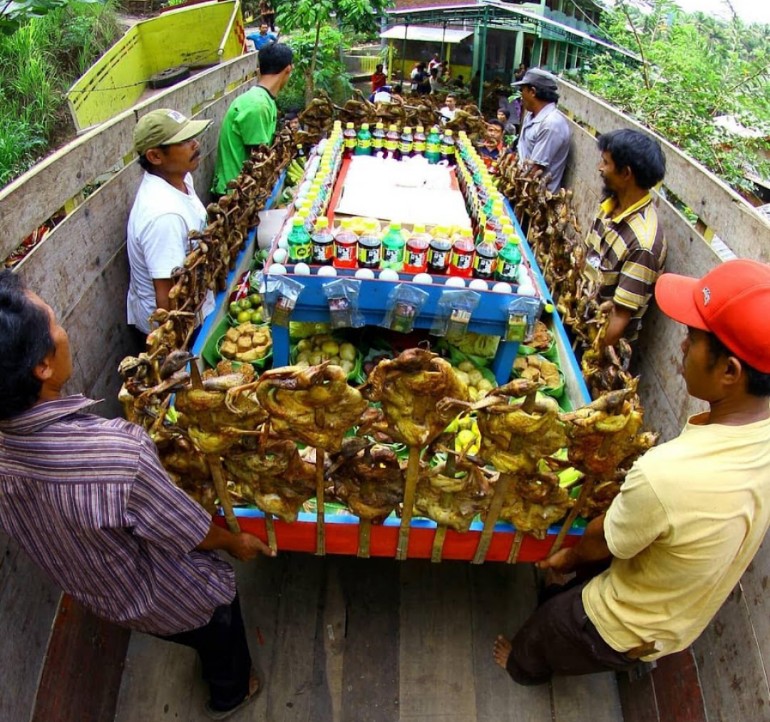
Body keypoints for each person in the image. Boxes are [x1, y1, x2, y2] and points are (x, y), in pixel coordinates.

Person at [0, 270, 277, 718]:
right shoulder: (117, 455)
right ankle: (232, 694)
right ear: (42, 366)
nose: (63, 331)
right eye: (54, 323)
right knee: (219, 620)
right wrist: (234, 542)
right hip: (167, 593)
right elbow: (189, 531)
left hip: (99, 592)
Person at [493, 258, 770, 686]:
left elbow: (600, 540)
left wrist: (568, 555)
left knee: (548, 629)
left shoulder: (667, 475)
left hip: (621, 623)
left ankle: (521, 667)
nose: (681, 346)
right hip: (678, 620)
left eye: (693, 339)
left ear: (730, 371)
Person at [126, 108, 216, 342]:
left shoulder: (181, 177)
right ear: (155, 156)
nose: (195, 144)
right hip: (179, 328)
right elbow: (166, 299)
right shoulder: (163, 216)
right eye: (184, 141)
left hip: (195, 307)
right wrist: (177, 349)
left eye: (192, 137)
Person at [584, 129, 668, 347]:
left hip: (597, 346)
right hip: (579, 321)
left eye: (606, 163)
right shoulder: (610, 204)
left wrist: (587, 359)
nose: (599, 168)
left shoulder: (643, 243)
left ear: (626, 173)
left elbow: (619, 320)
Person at [211, 43, 293, 197]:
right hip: (234, 197)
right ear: (289, 69)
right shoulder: (258, 105)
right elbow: (259, 163)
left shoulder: (263, 99)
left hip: (245, 191)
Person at [512, 67, 571, 192]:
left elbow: (534, 172)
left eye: (522, 90)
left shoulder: (551, 124)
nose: (521, 96)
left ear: (532, 92)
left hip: (534, 196)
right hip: (520, 186)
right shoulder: (531, 115)